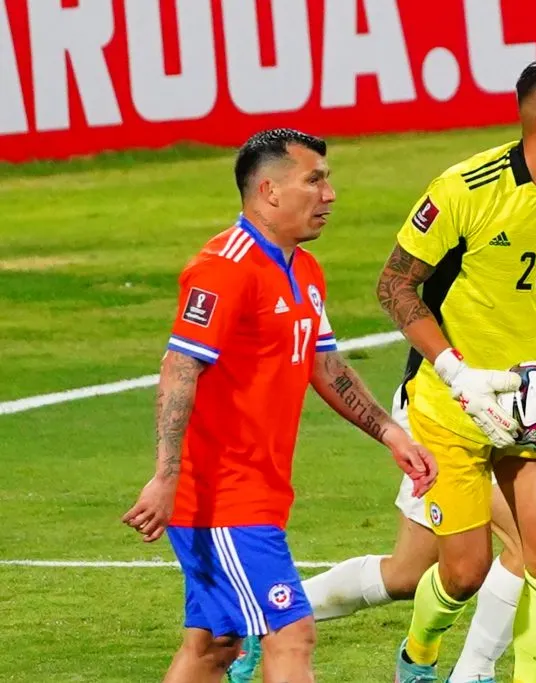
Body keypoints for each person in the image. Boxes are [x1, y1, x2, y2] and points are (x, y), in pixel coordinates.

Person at [226, 218, 536, 683]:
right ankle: (470, 670)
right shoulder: (519, 306)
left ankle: (267, 613)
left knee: (407, 574)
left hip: (514, 439)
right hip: (444, 417)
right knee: (530, 547)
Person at [120, 128, 437, 683]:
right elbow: (179, 367)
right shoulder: (224, 267)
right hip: (219, 496)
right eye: (314, 180)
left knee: (213, 646)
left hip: (258, 491)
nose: (329, 194)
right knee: (292, 632)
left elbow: (325, 365)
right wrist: (165, 476)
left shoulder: (304, 271)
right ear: (268, 190)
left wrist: (391, 433)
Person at [377, 55, 536, 683]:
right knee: (462, 572)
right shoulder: (466, 189)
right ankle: (419, 656)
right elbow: (394, 288)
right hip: (452, 403)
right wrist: (457, 372)